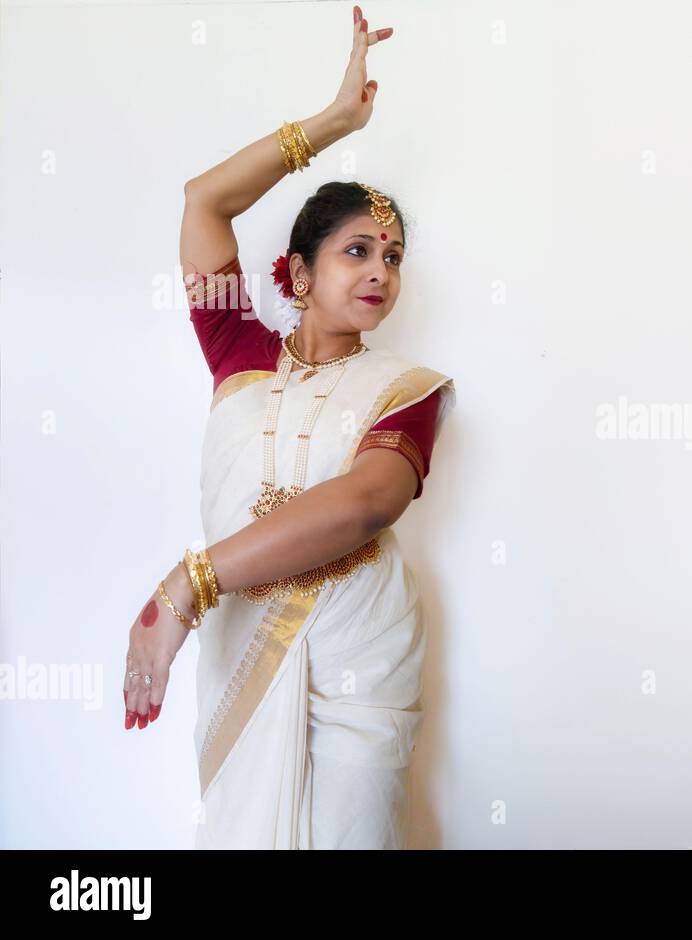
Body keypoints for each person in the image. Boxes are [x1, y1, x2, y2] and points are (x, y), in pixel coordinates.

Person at [121, 5, 455, 849]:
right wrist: (333, 123)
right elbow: (205, 201)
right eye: (358, 251)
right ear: (298, 272)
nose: (382, 270)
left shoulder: (406, 390)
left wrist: (185, 588)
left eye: (393, 257)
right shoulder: (239, 351)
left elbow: (363, 507)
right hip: (244, 653)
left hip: (358, 664)